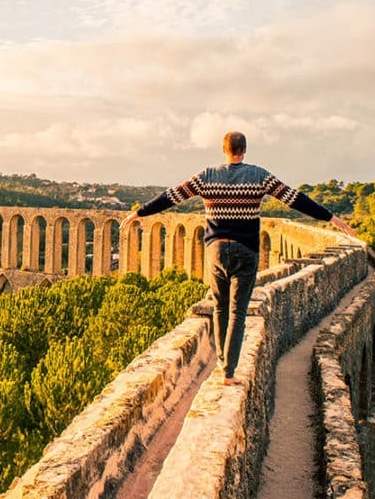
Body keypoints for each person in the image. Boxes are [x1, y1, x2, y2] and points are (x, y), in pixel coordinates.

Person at [123, 131, 356, 385]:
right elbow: (296, 200)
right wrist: (330, 217)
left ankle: (222, 361)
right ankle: (228, 371)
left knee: (220, 307)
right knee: (238, 312)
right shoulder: (259, 176)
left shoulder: (207, 176)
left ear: (224, 150)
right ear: (244, 150)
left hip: (216, 250)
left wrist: (140, 213)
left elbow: (171, 197)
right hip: (247, 249)